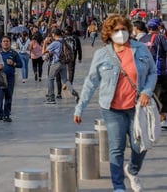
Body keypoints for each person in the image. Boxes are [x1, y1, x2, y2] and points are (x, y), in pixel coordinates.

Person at [74, 14, 157, 192]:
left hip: (137, 108)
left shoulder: (141, 49)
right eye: (116, 30)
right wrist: (79, 108)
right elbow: (90, 82)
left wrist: (146, 91)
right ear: (109, 33)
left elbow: (153, 72)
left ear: (129, 30)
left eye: (123, 29)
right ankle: (118, 187)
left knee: (140, 146)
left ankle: (132, 170)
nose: (120, 33)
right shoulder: (102, 54)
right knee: (116, 148)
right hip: (112, 109)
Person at [133, 19, 167, 129]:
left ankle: (148, 117)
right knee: (161, 95)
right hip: (159, 71)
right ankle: (161, 118)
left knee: (148, 94)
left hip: (144, 71)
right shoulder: (160, 38)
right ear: (158, 27)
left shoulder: (142, 39)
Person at [42, 28, 79, 104]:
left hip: (56, 63)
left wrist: (45, 42)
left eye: (52, 34)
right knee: (65, 80)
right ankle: (74, 93)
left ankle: (51, 98)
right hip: (63, 63)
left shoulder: (55, 43)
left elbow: (43, 52)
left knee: (50, 79)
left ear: (54, 34)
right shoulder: (64, 41)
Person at [0, 36, 22, 122]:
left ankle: (6, 115)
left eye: (7, 41)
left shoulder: (14, 53)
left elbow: (20, 65)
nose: (6, 43)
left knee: (8, 96)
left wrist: (13, 63)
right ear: (1, 43)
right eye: (4, 41)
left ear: (10, 43)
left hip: (10, 78)